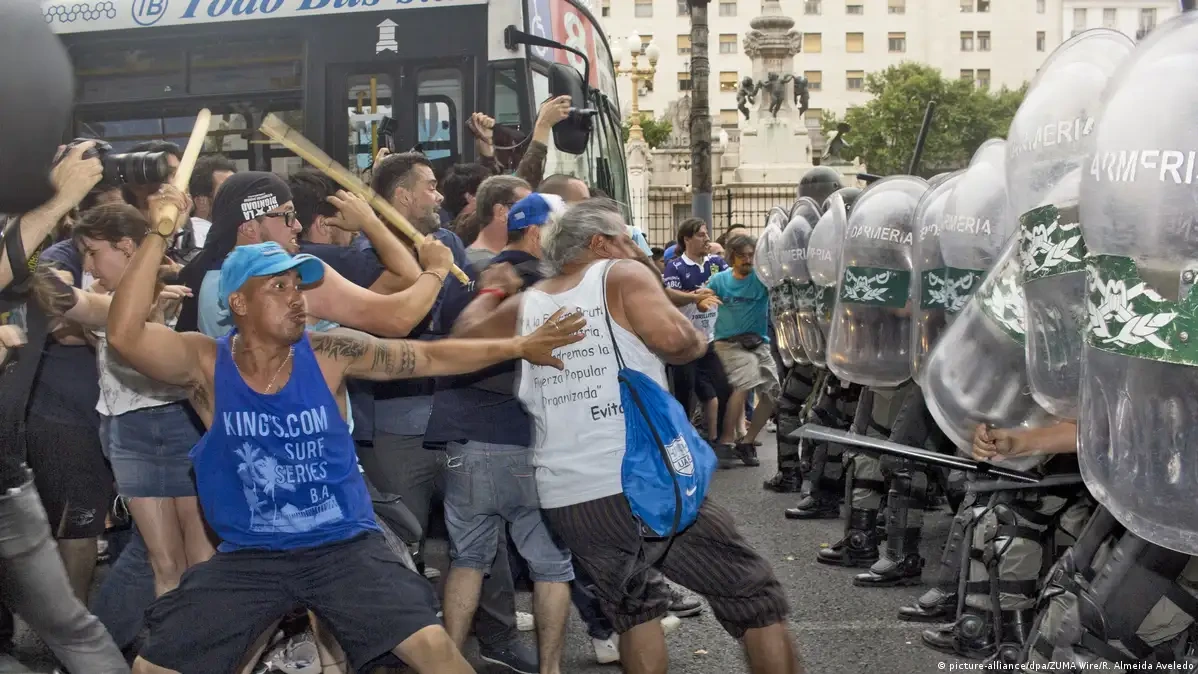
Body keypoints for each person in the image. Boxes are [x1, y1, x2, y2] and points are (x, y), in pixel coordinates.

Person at [106, 185, 588, 674]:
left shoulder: (329, 352)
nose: (296, 298)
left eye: (298, 286)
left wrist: (518, 346)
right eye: (278, 288)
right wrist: (158, 231)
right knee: (153, 667)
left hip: (342, 547)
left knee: (437, 654)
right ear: (239, 302)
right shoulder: (205, 364)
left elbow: (429, 355)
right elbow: (124, 335)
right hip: (251, 556)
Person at [454, 199, 802, 674]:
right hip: (640, 479)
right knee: (753, 593)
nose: (635, 245)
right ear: (600, 242)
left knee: (634, 611)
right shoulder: (620, 274)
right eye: (626, 237)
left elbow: (465, 338)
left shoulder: (527, 302)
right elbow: (679, 344)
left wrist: (492, 291)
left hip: (568, 495)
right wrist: (692, 330)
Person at [707, 233, 778, 469]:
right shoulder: (719, 281)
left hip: (758, 342)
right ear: (731, 257)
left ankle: (746, 441)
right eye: (742, 256)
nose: (748, 259)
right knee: (745, 381)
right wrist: (700, 299)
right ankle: (726, 441)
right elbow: (702, 296)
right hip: (728, 343)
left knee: (772, 393)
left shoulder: (761, 280)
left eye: (751, 255)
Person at [662, 217, 729, 443]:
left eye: (707, 233)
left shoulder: (717, 264)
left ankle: (717, 439)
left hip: (711, 339)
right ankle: (681, 440)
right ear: (686, 239)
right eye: (701, 235)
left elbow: (731, 285)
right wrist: (695, 297)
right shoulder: (676, 266)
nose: (707, 239)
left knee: (723, 387)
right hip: (685, 342)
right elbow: (670, 296)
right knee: (684, 394)